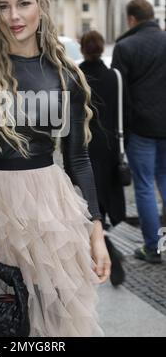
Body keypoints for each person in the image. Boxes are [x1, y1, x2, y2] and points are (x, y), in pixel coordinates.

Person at [0, 0, 110, 337]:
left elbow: (78, 159)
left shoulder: (64, 74)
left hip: (53, 207)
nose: (14, 16)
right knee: (1, 320)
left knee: (56, 320)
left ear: (41, 5)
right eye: (3, 7)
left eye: (23, 4)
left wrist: (96, 231)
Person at [112, 0, 166, 264]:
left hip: (141, 127)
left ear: (132, 19)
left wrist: (120, 131)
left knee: (144, 186)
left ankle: (153, 247)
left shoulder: (125, 47)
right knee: (165, 182)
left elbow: (118, 94)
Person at [79, 30, 126, 286]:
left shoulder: (77, 77)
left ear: (83, 48)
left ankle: (105, 250)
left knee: (88, 206)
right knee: (102, 206)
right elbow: (124, 113)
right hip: (109, 151)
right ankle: (105, 247)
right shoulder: (114, 77)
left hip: (84, 149)